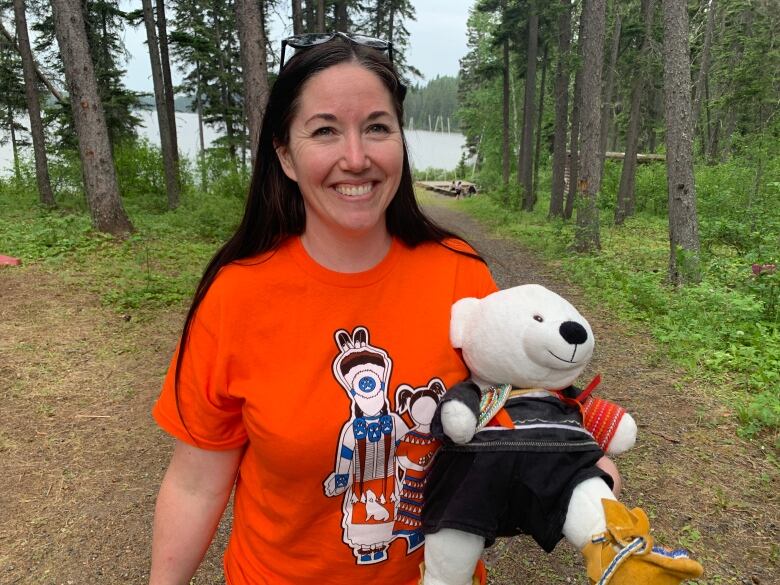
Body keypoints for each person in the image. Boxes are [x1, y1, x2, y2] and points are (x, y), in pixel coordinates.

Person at [149, 32, 620, 585]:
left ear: (399, 139)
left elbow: (521, 399)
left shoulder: (459, 272)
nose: (357, 157)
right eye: (325, 130)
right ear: (285, 156)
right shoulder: (236, 296)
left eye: (377, 127)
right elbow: (195, 483)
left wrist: (577, 462)